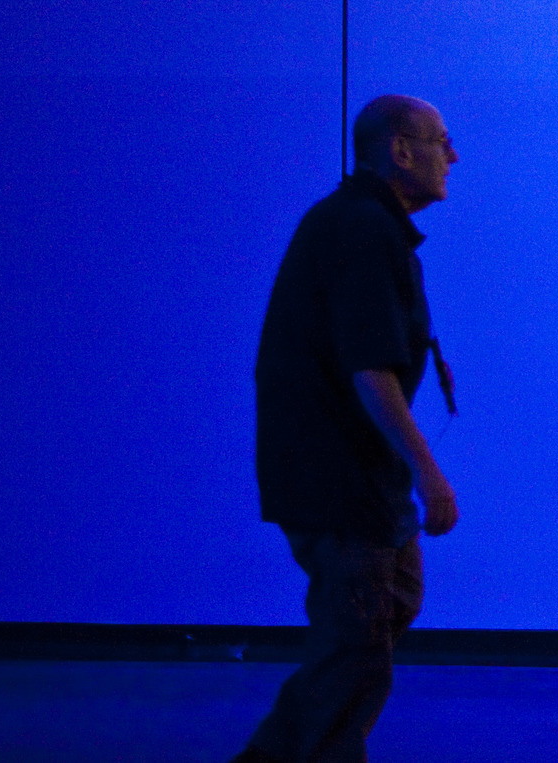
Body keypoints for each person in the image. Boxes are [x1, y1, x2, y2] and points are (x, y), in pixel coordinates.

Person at [234, 96, 461, 763]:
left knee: (378, 615)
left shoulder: (361, 225)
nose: (453, 155)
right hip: (340, 479)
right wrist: (431, 474)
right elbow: (370, 370)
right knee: (359, 642)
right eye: (441, 140)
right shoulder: (363, 230)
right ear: (400, 149)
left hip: (349, 476)